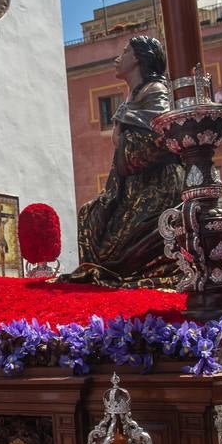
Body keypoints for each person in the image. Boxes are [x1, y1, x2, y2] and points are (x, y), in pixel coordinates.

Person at [62, 36, 182, 288]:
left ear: (138, 58)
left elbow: (160, 129)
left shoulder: (156, 90)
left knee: (112, 245)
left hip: (155, 184)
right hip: (132, 183)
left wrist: (124, 127)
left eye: (125, 52)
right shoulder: (133, 96)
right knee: (90, 215)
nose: (118, 58)